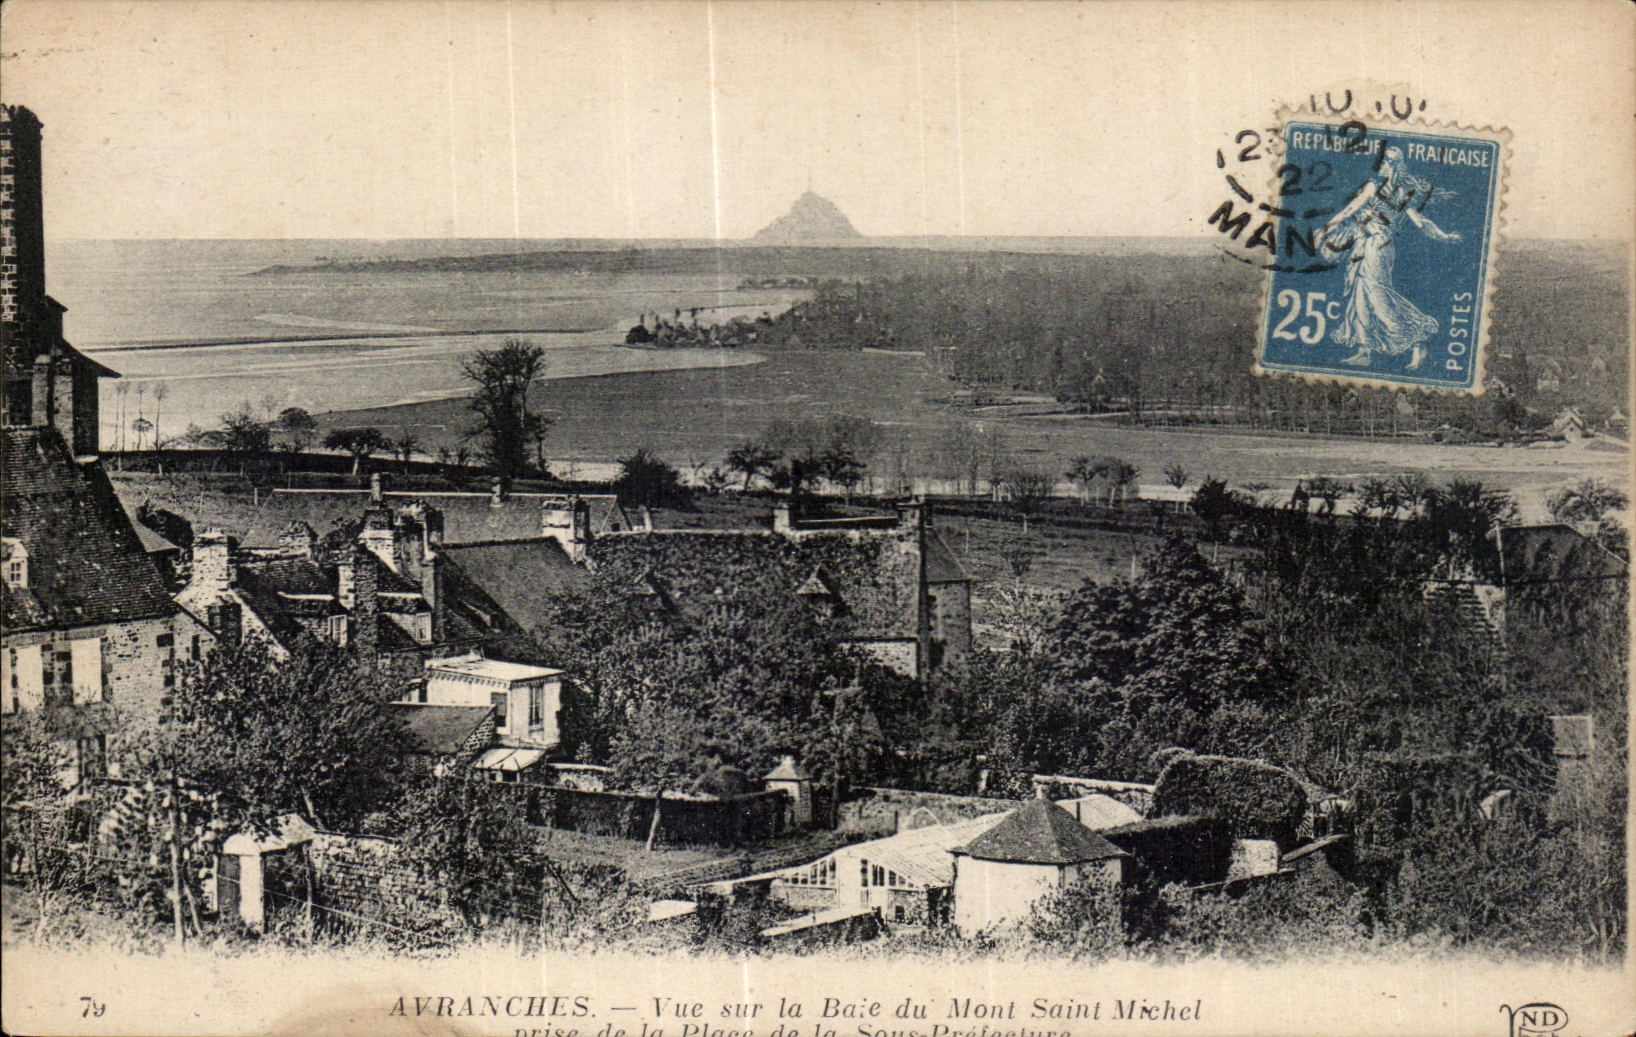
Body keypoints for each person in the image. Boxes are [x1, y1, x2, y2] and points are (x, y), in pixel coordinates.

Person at [1318, 145, 1461, 370]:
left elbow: (1352, 208)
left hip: (1377, 246)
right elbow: (1420, 223)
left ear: (1392, 165)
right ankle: (1365, 350)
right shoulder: (1397, 193)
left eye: (1384, 161)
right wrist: (1444, 236)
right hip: (1364, 244)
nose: (1380, 165)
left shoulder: (1382, 189)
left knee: (1377, 295)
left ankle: (1418, 340)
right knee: (1360, 294)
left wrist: (1444, 236)